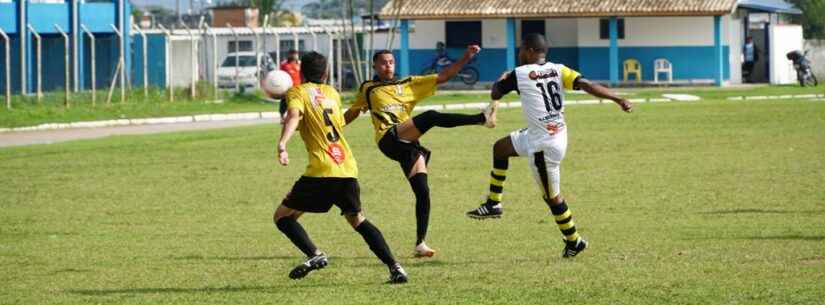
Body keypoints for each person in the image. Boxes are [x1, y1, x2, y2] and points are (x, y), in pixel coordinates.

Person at [465, 34, 633, 258]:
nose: (519, 53)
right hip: (551, 134)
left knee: (552, 197)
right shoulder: (558, 69)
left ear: (531, 50)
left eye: (522, 49)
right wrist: (618, 99)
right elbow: (586, 84)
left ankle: (574, 241)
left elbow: (495, 93)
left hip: (543, 146)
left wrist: (501, 79)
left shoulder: (519, 73)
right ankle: (493, 203)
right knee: (501, 148)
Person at [344, 45, 498, 258]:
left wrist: (466, 57)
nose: (387, 65)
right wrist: (334, 127)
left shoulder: (409, 84)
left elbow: (444, 76)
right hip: (388, 138)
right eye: (382, 62)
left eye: (390, 62)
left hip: (408, 143)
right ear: (374, 65)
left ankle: (420, 243)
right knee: (431, 116)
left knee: (423, 192)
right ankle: (481, 118)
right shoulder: (368, 88)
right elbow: (353, 112)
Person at [275, 51, 408, 284]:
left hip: (321, 171)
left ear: (302, 73)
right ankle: (395, 267)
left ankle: (315, 255)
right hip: (346, 167)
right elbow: (331, 123)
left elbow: (295, 115)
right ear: (326, 73)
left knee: (283, 217)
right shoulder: (333, 93)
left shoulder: (297, 92)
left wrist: (283, 142)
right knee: (359, 220)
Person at [278, 50, 302, 117]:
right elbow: (280, 75)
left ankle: (298, 117)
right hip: (286, 88)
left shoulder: (300, 64)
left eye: (295, 54)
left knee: (297, 103)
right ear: (289, 55)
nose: (294, 56)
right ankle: (282, 116)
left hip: (297, 88)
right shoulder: (284, 64)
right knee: (284, 102)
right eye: (292, 54)